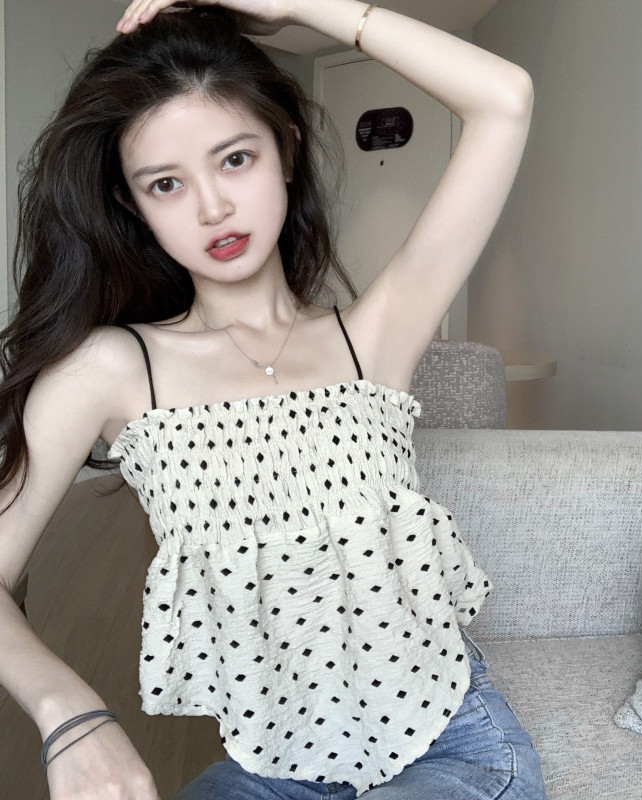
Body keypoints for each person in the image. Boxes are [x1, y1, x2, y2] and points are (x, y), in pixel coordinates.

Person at [0, 1, 543, 798]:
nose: (212, 208)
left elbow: (504, 99)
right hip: (274, 769)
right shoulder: (113, 370)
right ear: (132, 205)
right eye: (165, 183)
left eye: (235, 159)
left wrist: (300, 5)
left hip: (449, 744)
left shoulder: (374, 338)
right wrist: (70, 714)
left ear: (285, 149)